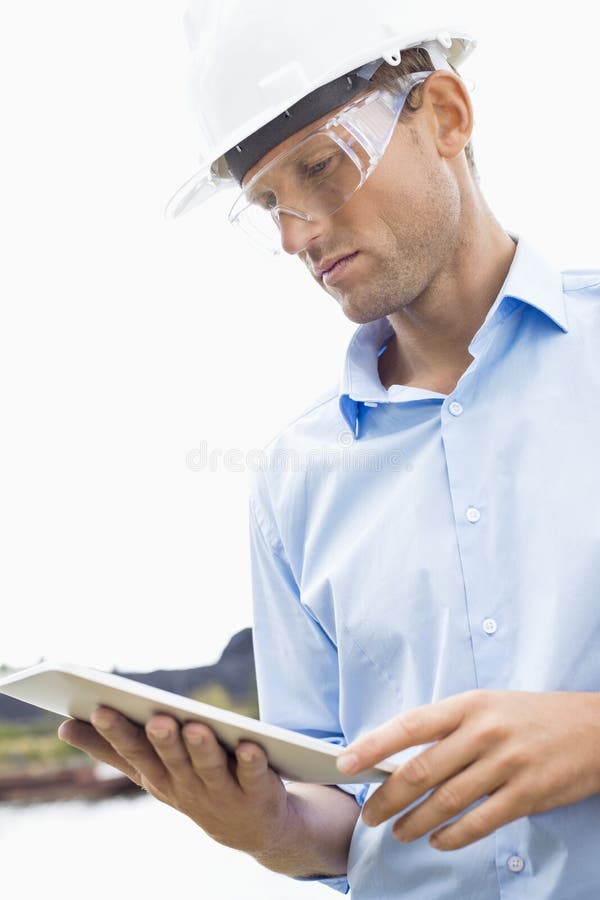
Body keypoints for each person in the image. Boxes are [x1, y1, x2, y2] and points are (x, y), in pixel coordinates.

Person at [58, 1, 600, 896]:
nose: (295, 234)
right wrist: (272, 829)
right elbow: (343, 809)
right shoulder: (293, 483)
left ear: (446, 117)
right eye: (269, 202)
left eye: (320, 166)